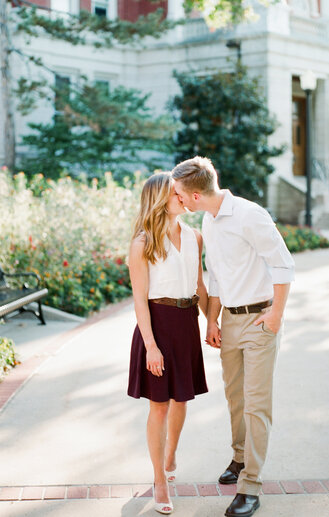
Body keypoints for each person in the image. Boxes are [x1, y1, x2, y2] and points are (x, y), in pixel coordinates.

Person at [172, 157, 295, 517]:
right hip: (230, 320)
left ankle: (251, 487)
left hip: (260, 320)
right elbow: (218, 278)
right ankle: (240, 458)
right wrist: (211, 321)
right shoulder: (209, 221)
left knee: (257, 404)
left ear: (194, 195)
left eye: (179, 193)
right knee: (235, 398)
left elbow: (283, 263)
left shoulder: (249, 215)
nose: (176, 198)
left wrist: (275, 315)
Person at [127, 172, 208, 515]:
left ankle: (170, 453)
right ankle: (159, 478)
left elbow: (199, 284)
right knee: (159, 404)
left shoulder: (195, 236)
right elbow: (140, 300)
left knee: (181, 399)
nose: (184, 196)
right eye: (177, 192)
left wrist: (212, 321)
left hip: (187, 322)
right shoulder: (142, 243)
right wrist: (151, 346)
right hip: (157, 325)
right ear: (162, 197)